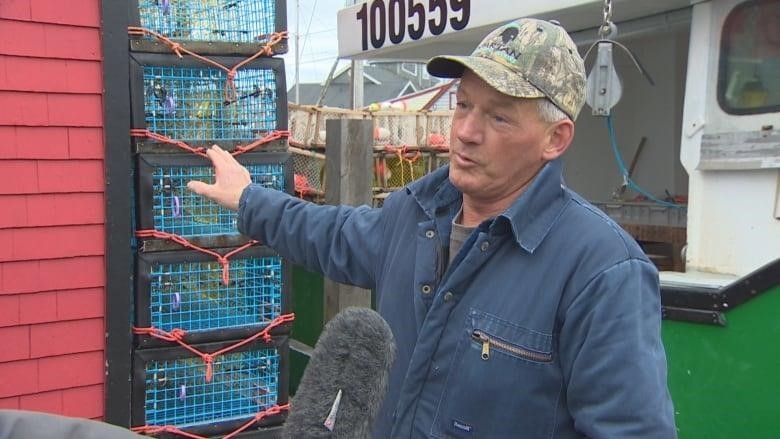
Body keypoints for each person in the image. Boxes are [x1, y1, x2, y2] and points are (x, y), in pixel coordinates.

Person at [188, 18, 677, 438]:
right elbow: (328, 232)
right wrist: (248, 199)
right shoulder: (416, 214)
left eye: (499, 117)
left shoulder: (602, 270)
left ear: (556, 138)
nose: (465, 130)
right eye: (464, 105)